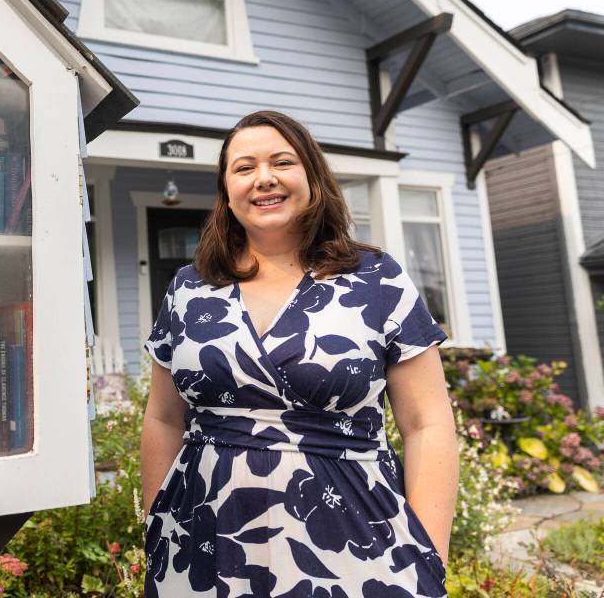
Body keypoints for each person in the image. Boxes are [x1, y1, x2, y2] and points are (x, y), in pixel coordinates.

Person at [140, 110, 458, 598]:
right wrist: (155, 524)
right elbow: (163, 418)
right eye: (244, 168)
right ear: (226, 191)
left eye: (281, 162)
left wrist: (427, 551)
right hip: (201, 541)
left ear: (312, 176)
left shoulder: (377, 280)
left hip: (355, 542)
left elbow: (427, 423)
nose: (263, 178)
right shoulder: (190, 290)